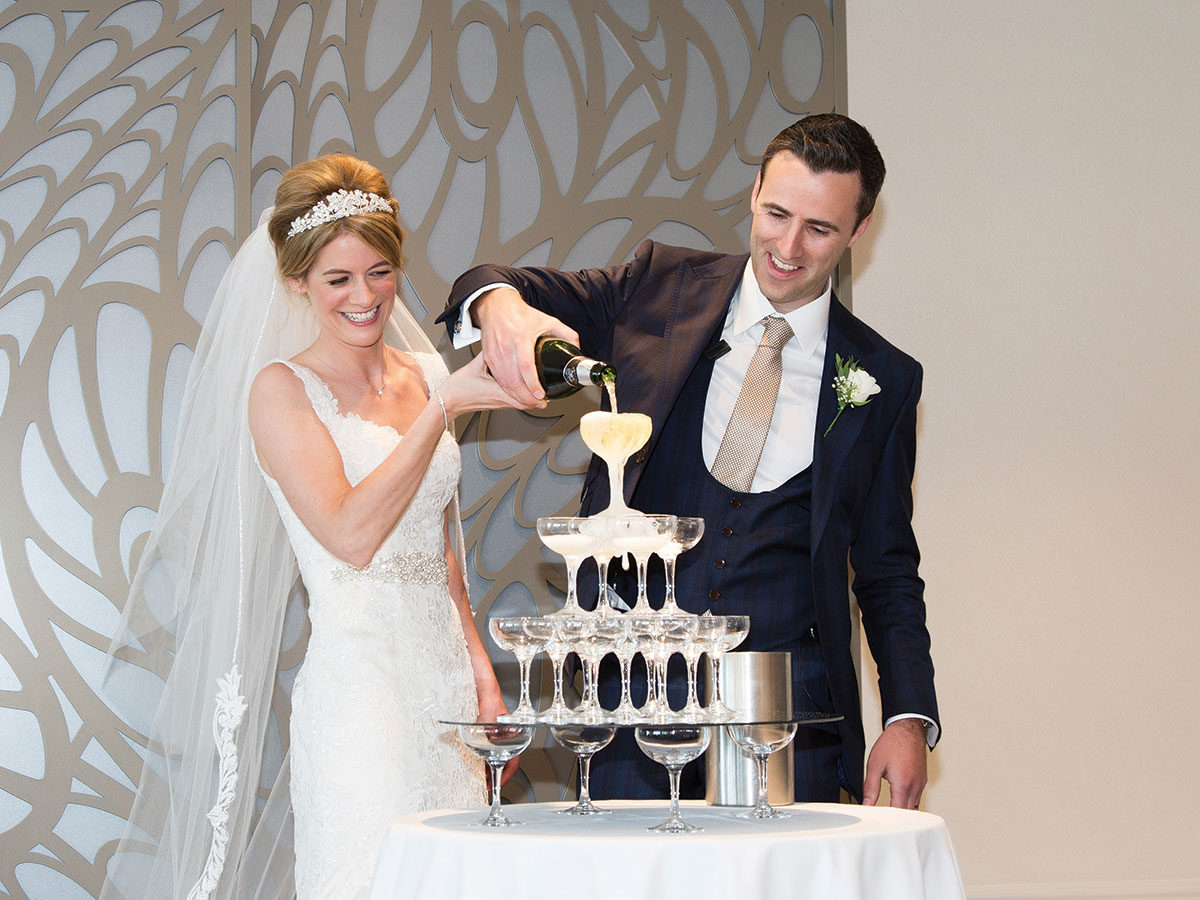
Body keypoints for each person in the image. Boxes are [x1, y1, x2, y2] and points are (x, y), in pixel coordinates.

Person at [438, 114, 939, 808]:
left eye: (819, 229)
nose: (788, 247)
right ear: (754, 192)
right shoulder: (658, 288)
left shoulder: (885, 378)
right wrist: (499, 308)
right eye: (776, 214)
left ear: (860, 229)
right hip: (630, 703)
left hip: (791, 719)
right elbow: (492, 281)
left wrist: (908, 717)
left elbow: (886, 571)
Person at [103, 155, 526, 900]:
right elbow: (350, 535)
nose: (365, 297)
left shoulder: (427, 374)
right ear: (297, 281)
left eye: (380, 272)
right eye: (338, 279)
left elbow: (442, 557)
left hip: (447, 693)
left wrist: (484, 681)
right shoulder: (281, 391)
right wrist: (441, 411)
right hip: (361, 702)